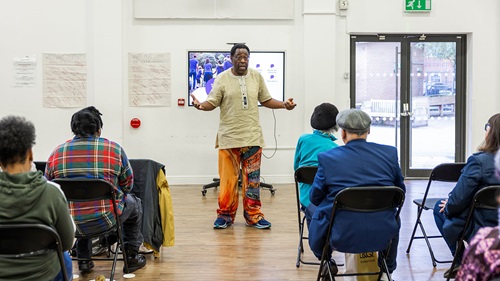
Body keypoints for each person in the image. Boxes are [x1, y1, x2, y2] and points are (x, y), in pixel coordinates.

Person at [191, 43, 296, 229]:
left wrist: (283, 105)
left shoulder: (256, 77)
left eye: (246, 57)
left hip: (252, 137)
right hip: (229, 138)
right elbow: (212, 102)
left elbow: (266, 100)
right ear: (231, 58)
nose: (242, 60)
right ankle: (225, 216)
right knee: (228, 182)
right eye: (238, 56)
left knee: (253, 182)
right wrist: (201, 106)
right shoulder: (222, 78)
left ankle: (254, 216)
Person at [45, 106, 147, 274]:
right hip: (106, 220)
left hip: (70, 223)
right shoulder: (114, 150)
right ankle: (131, 257)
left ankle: (84, 260)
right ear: (98, 129)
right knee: (134, 204)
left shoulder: (57, 153)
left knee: (77, 207)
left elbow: (49, 188)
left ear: (73, 129)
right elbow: (128, 185)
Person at [307, 108, 406, 279]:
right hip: (383, 231)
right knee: (394, 214)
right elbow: (400, 193)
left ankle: (325, 258)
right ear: (368, 131)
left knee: (311, 208)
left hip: (342, 234)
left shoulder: (327, 158)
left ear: (343, 133)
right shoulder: (390, 153)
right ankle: (387, 267)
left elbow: (315, 197)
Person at [0, 115, 75, 281]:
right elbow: (67, 243)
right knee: (66, 258)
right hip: (45, 274)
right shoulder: (52, 193)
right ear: (30, 154)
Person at [434, 113, 500, 279]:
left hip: (483, 226)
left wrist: (449, 204)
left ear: (491, 132)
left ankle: (461, 260)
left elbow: (457, 201)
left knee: (439, 208)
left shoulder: (479, 162)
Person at [293, 102, 339, 225]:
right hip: (326, 200)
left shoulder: (303, 139)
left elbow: (296, 167)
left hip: (305, 199)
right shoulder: (335, 148)